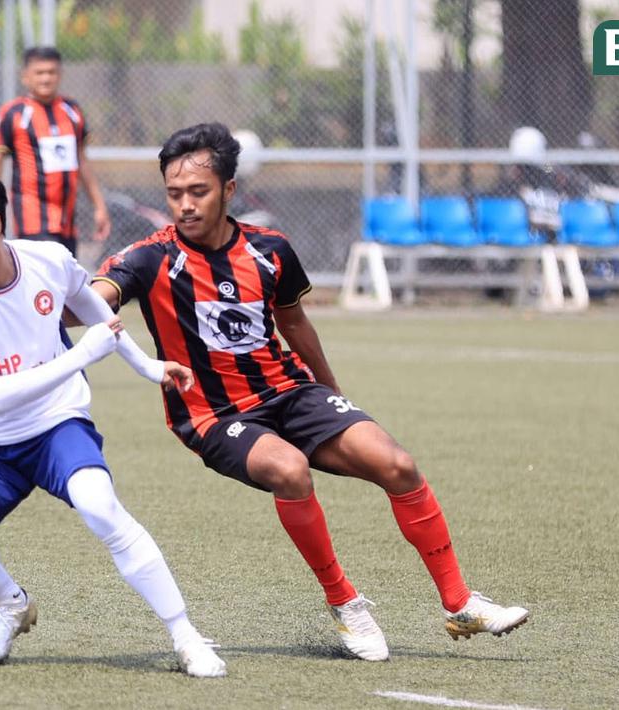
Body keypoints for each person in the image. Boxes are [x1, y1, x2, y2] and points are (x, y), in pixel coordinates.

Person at [91, 123, 530, 661]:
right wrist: (84, 303)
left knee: (398, 464)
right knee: (290, 470)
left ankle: (459, 603)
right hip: (214, 414)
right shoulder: (151, 257)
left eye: (198, 192)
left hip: (291, 391)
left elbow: (294, 324)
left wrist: (332, 395)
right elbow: (99, 294)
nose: (184, 205)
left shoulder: (271, 249)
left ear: (229, 190)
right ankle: (345, 603)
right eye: (174, 194)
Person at [0, 166, 226, 677]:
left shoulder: (49, 260)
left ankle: (186, 635)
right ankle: (11, 603)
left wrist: (149, 367)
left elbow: (101, 317)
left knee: (101, 508)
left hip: (58, 424)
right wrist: (80, 357)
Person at [0, 46, 110, 258]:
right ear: (26, 77)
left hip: (67, 221)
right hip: (33, 219)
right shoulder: (13, 113)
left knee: (65, 282)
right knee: (46, 280)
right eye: (39, 73)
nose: (46, 79)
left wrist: (99, 206)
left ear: (59, 75)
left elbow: (81, 161)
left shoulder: (72, 110)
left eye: (51, 72)